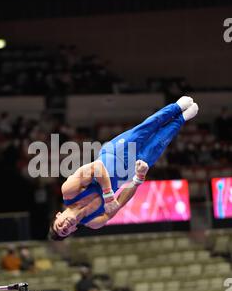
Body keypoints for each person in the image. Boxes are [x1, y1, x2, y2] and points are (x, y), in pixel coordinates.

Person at [49, 97, 198, 239]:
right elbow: (119, 202)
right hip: (130, 171)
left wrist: (107, 194)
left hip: (115, 152)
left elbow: (97, 167)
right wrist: (137, 179)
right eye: (65, 232)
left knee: (147, 128)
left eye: (59, 225)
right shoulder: (94, 222)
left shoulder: (69, 191)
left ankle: (176, 107)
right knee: (160, 141)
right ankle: (181, 118)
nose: (65, 227)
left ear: (58, 215)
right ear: (73, 230)